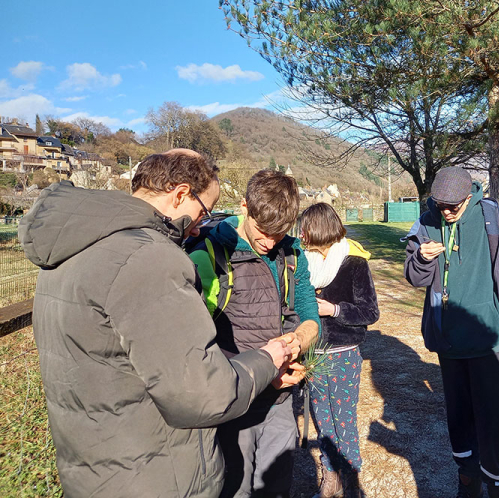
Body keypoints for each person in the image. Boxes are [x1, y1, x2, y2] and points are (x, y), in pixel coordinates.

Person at [18, 149, 292, 498]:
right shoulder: (147, 256)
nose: (199, 225)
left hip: (91, 468)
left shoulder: (65, 252)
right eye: (203, 211)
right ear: (180, 194)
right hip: (155, 474)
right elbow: (203, 394)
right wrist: (267, 359)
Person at [187, 169, 320, 498]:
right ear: (244, 206)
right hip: (233, 407)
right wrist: (260, 375)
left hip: (281, 401)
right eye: (263, 232)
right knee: (236, 488)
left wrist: (299, 343)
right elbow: (190, 347)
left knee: (276, 487)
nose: (270, 243)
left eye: (279, 234)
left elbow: (310, 317)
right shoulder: (208, 255)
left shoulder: (291, 254)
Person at [404, 166, 499, 498]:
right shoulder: (426, 222)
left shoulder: (493, 216)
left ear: (469, 197)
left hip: (493, 341)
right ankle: (467, 480)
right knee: (459, 420)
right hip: (449, 342)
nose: (445, 212)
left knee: (494, 421)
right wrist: (421, 257)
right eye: (440, 205)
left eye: (453, 206)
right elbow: (414, 277)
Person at [299, 202, 379, 498]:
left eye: (305, 229)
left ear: (317, 229)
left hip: (344, 353)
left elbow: (370, 312)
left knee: (343, 417)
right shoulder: (300, 262)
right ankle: (330, 475)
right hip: (312, 355)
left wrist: (334, 309)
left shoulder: (354, 263)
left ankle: (351, 476)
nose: (301, 235)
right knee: (322, 417)